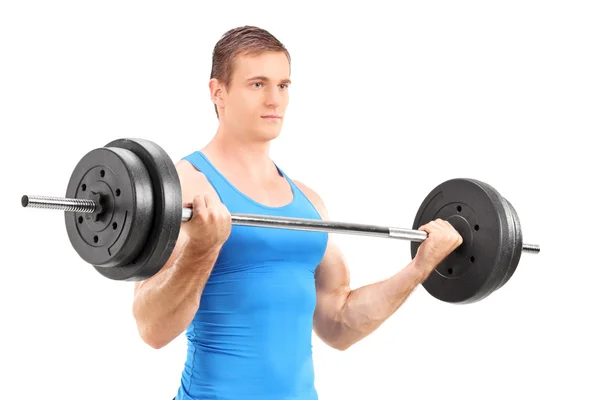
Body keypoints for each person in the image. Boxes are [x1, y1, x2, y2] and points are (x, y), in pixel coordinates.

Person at [132, 26, 463, 400]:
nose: (275, 100)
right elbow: (151, 329)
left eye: (283, 85)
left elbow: (338, 324)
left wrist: (420, 267)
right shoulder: (185, 187)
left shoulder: (309, 203)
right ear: (217, 92)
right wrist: (201, 248)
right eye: (257, 84)